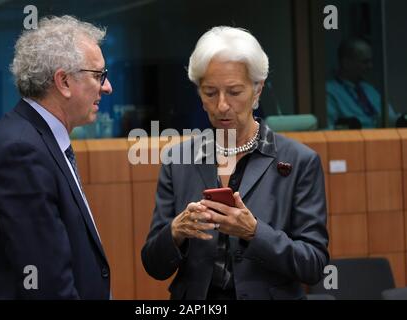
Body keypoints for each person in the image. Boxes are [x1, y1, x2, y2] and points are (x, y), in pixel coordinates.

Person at [141, 26, 329, 300]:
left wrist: (254, 233)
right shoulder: (177, 160)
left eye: (234, 92)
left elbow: (313, 265)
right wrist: (175, 231)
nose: (221, 106)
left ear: (257, 90)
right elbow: (153, 265)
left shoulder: (299, 161)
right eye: (210, 93)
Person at [0, 15, 112, 299]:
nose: (107, 86)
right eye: (98, 75)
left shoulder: (34, 137)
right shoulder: (21, 152)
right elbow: (46, 284)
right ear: (63, 81)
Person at [327, 38, 398, 129]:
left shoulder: (370, 90)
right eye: (365, 62)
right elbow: (329, 129)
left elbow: (391, 118)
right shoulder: (330, 93)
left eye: (370, 61)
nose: (370, 66)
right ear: (346, 63)